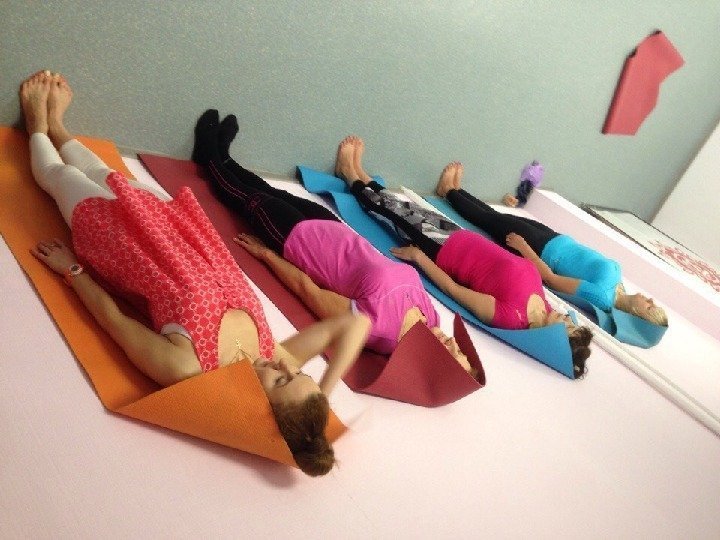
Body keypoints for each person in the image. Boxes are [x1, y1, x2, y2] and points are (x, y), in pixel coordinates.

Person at [21, 70, 371, 476]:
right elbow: (354, 324)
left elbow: (115, 321)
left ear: (259, 408)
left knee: (62, 178)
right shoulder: (271, 355)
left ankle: (37, 125)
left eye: (280, 382)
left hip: (121, 245)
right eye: (297, 373)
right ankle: (60, 128)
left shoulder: (188, 366)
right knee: (106, 172)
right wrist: (322, 392)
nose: (284, 367)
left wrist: (72, 269)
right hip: (179, 230)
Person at [191, 110, 475, 376]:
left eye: (451, 355)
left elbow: (309, 291)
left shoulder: (376, 330)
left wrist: (267, 254)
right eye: (461, 350)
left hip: (299, 242)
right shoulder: (432, 318)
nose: (453, 343)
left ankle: (209, 157)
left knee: (243, 195)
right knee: (268, 189)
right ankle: (225, 157)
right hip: (333, 230)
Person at [334, 136, 593, 377]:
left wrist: (420, 257)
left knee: (389, 212)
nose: (566, 318)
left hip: (442, 250)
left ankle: (348, 173)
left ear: (553, 338)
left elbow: (454, 289)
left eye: (567, 326)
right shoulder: (546, 307)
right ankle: (363, 177)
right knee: (405, 207)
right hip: (463, 238)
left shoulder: (510, 316)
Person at [434, 162, 668, 327]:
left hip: (541, 249)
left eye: (649, 307)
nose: (649, 300)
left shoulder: (602, 297)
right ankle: (457, 191)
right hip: (557, 240)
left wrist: (524, 248)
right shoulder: (619, 289)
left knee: (489, 221)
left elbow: (553, 280)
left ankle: (448, 192)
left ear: (636, 314)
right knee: (498, 217)